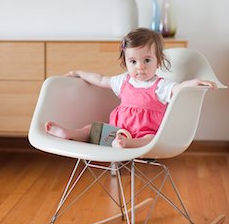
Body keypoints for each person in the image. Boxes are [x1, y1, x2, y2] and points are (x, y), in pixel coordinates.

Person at [45, 28, 217, 148]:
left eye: (147, 60)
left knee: (151, 139)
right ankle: (70, 133)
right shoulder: (124, 81)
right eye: (133, 62)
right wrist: (79, 72)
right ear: (126, 62)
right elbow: (100, 79)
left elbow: (178, 89)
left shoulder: (161, 85)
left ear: (158, 60)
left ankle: (128, 144)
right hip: (118, 131)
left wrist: (193, 82)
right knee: (93, 129)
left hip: (145, 134)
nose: (140, 67)